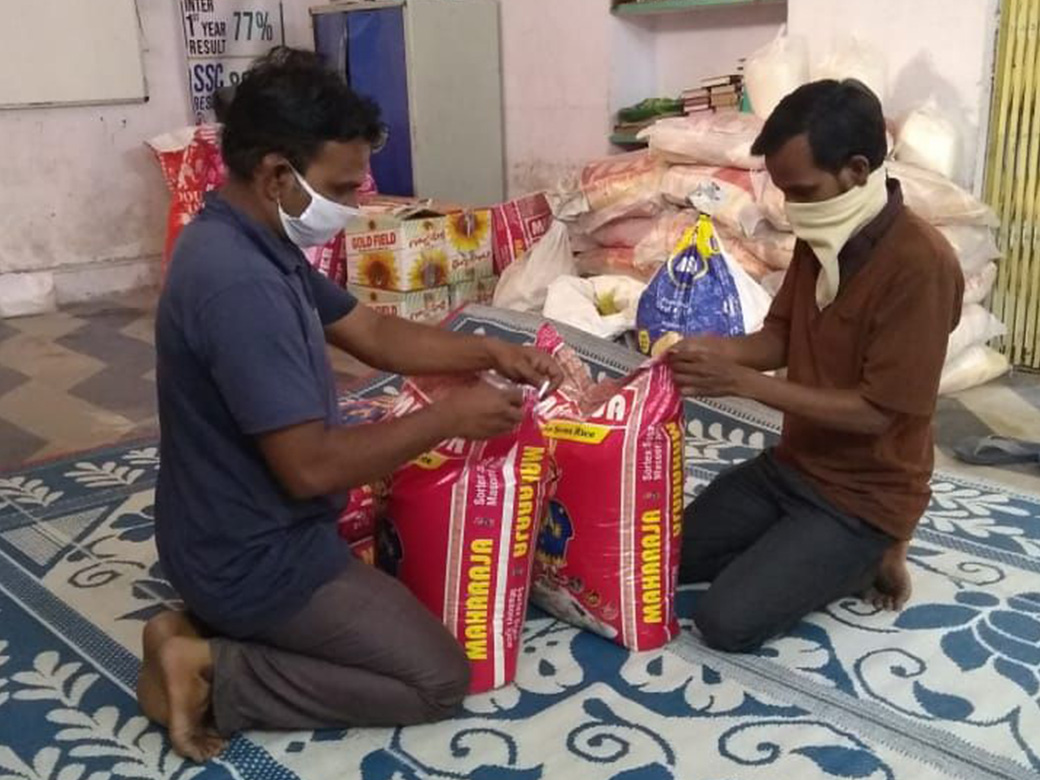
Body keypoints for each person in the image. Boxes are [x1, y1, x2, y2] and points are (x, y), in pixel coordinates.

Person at [138, 48, 562, 762]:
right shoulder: (239, 285)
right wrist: (448, 418)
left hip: (223, 530)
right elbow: (310, 468)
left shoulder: (248, 237)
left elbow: (373, 333)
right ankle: (209, 668)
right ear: (277, 174)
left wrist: (491, 351)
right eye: (341, 188)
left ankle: (195, 623)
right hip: (253, 558)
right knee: (435, 678)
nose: (355, 205)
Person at [669, 80, 964, 653]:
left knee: (726, 621)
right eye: (784, 193)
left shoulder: (920, 266)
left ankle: (870, 554)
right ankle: (798, 550)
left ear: (857, 170)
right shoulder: (822, 233)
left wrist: (741, 383)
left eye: (801, 191)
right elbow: (782, 335)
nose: (791, 208)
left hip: (863, 497)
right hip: (793, 467)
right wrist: (718, 351)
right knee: (659, 559)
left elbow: (877, 413)